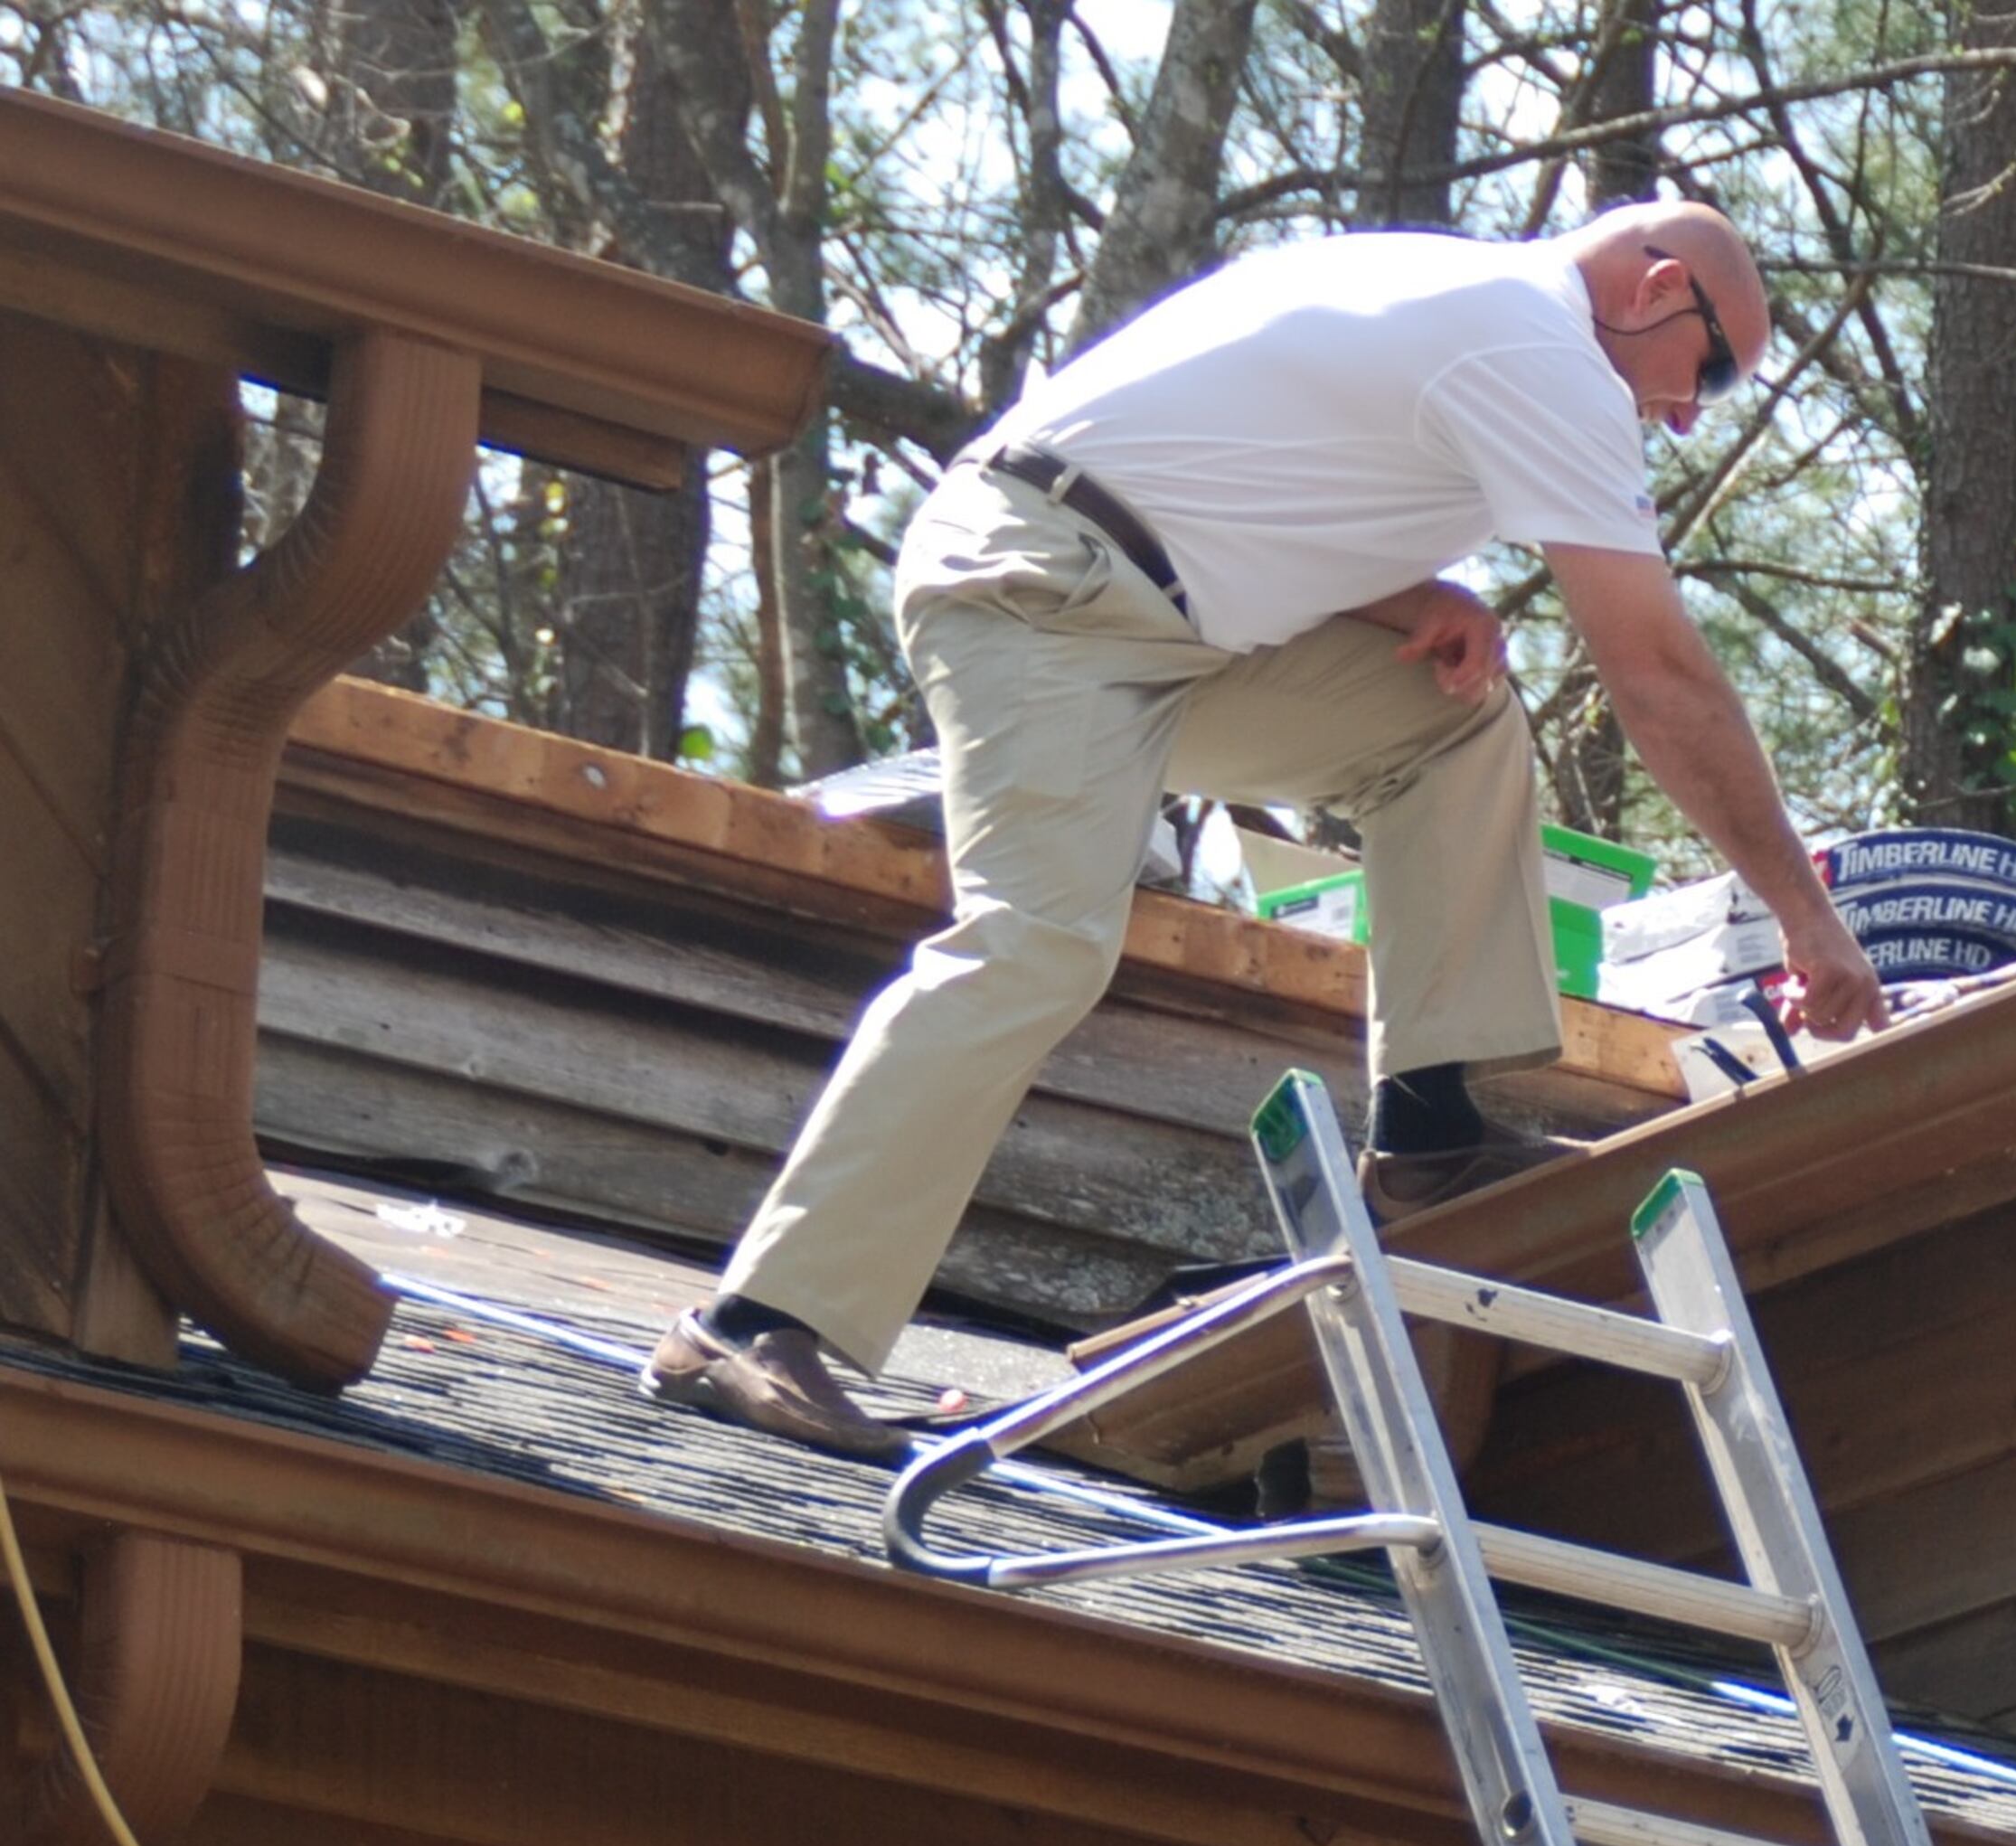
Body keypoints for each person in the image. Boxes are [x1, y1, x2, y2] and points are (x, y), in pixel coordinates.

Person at [643, 202, 1889, 1461]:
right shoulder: (1541, 351)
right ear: (1655, 285)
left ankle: (1430, 1135)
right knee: (1040, 940)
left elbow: (1231, 455)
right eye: (1712, 370)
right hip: (1041, 592)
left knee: (1446, 721)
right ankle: (757, 1320)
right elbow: (1660, 675)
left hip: (1163, 613)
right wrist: (1805, 918)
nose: (1688, 413)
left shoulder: (1455, 298)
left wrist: (1415, 592)